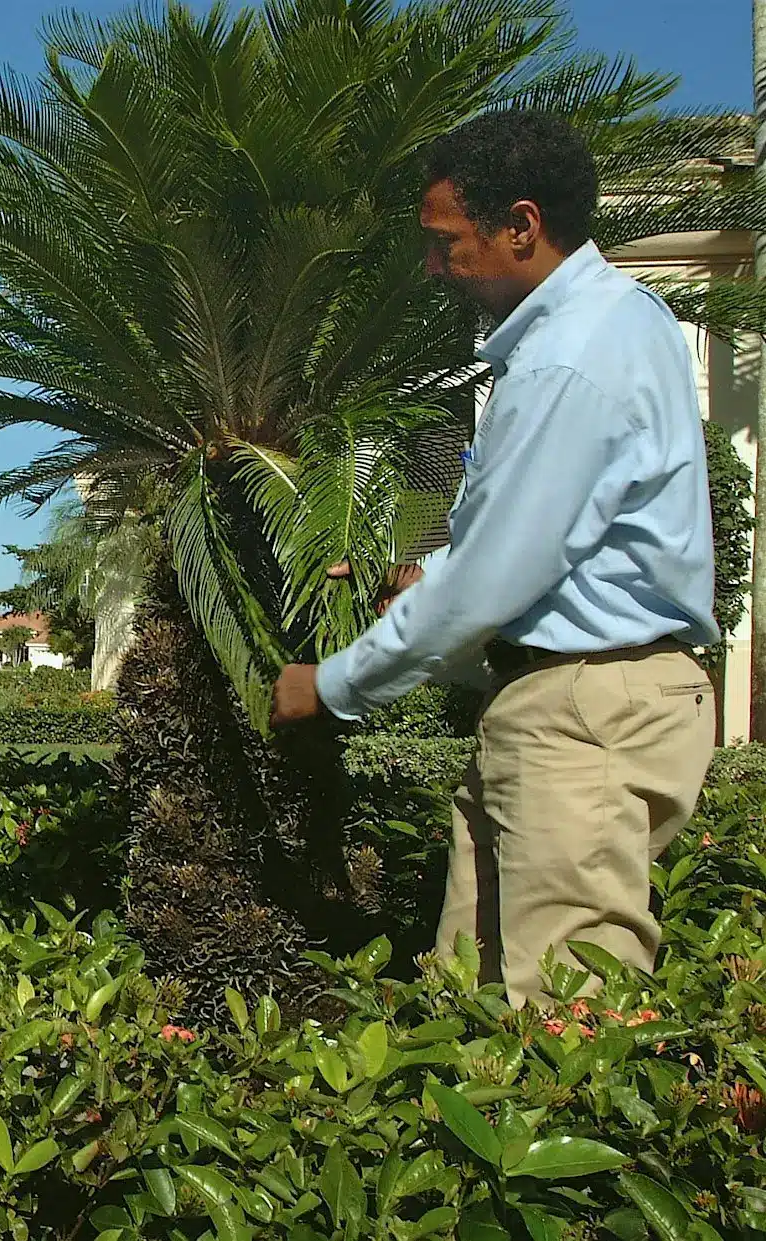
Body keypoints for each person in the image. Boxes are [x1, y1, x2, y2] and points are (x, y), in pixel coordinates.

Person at [271, 110, 718, 1005]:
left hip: (582, 709)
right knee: (468, 997)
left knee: (564, 1023)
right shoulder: (616, 324)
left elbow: (492, 579)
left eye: (447, 242)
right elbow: (542, 548)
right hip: (572, 699)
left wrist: (333, 685)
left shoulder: (566, 360)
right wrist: (414, 581)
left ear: (522, 225)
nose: (434, 267)